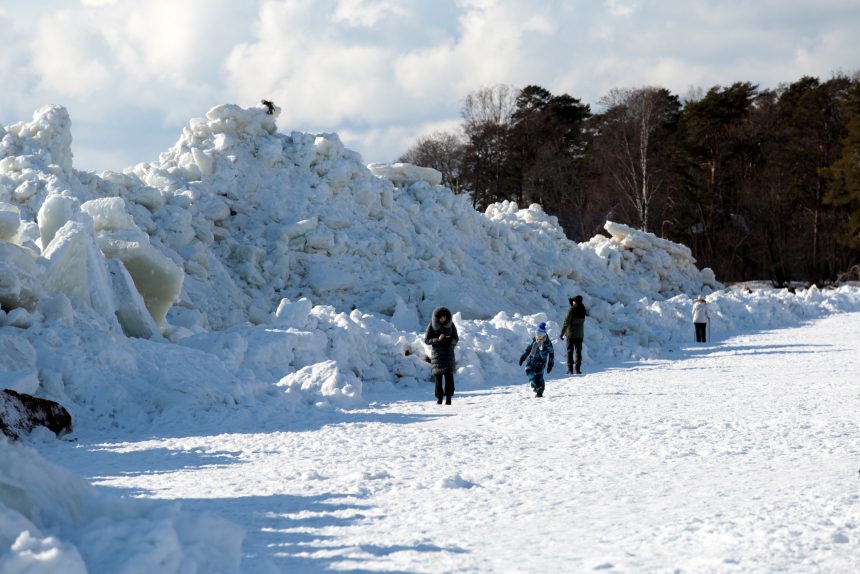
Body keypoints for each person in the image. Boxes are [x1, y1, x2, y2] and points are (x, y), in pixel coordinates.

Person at [424, 307, 459, 405]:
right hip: (437, 355)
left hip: (448, 354)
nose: (443, 319)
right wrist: (437, 339)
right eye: (441, 317)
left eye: (444, 317)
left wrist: (450, 340)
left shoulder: (451, 325)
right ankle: (439, 398)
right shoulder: (431, 325)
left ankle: (448, 398)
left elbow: (456, 339)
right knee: (438, 379)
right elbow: (427, 340)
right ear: (437, 318)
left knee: (449, 378)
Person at [518, 322, 554, 397]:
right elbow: (528, 349)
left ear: (544, 335)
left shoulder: (547, 343)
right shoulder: (534, 339)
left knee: (539, 376)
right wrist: (523, 357)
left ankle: (540, 391)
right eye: (537, 335)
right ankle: (537, 387)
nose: (538, 337)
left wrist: (550, 364)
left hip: (540, 362)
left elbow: (551, 354)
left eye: (540, 336)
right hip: (531, 359)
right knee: (528, 370)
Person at [560, 295, 587, 374]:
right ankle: (578, 369)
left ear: (576, 301)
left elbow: (566, 322)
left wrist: (562, 333)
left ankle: (570, 369)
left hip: (571, 334)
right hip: (580, 335)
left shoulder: (572, 310)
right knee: (578, 352)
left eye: (574, 301)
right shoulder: (583, 310)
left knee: (570, 351)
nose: (572, 302)